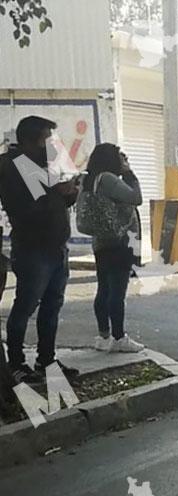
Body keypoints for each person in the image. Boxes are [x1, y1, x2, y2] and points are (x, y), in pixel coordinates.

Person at [0, 116, 78, 384]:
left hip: (55, 247)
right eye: (47, 138)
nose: (52, 144)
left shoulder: (41, 164)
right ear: (31, 140)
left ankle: (46, 359)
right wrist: (60, 191)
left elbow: (56, 202)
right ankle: (16, 363)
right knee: (25, 305)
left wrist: (69, 192)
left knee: (52, 306)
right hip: (34, 248)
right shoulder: (15, 165)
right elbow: (36, 207)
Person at [82, 143, 145, 353]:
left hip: (101, 241)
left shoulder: (90, 179)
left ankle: (103, 336)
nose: (123, 161)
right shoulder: (108, 179)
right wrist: (129, 173)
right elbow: (136, 198)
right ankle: (119, 337)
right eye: (120, 157)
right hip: (119, 242)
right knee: (117, 292)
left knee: (104, 289)